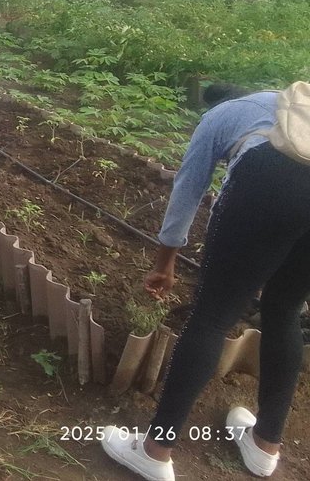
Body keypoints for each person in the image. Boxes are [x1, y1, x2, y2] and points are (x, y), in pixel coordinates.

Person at [99, 85, 300, 481]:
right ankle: (265, 446)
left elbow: (189, 189)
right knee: (285, 310)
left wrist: (165, 262)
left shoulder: (222, 116)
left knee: (212, 316)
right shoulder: (293, 110)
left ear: (222, 100)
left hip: (270, 178)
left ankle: (155, 451)